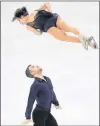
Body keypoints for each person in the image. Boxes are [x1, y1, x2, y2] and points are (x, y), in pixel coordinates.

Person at [12, 2, 98, 50]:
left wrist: (50, 11)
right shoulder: (33, 15)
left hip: (51, 24)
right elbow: (46, 4)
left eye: (19, 20)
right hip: (52, 21)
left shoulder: (31, 20)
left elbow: (38, 33)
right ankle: (86, 39)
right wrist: (50, 11)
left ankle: (87, 41)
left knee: (66, 34)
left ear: (22, 17)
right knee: (67, 32)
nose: (20, 22)